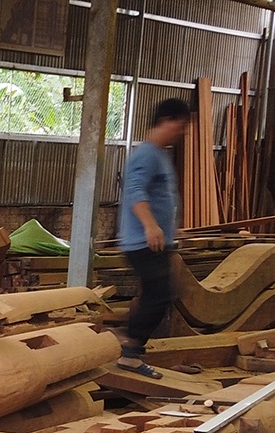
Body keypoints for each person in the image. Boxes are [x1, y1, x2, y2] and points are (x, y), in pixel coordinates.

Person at [116, 97, 192, 380]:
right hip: (143, 242)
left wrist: (171, 228)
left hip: (155, 240)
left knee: (156, 294)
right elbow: (134, 191)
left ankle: (127, 343)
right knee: (160, 295)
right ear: (165, 121)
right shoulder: (147, 154)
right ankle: (130, 351)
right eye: (180, 126)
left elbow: (161, 198)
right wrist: (150, 226)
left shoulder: (160, 154)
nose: (181, 133)